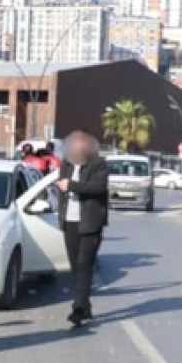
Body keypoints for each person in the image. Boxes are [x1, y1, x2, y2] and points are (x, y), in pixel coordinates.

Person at [55, 130, 110, 327]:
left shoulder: (99, 165)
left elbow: (98, 187)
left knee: (84, 264)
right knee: (75, 266)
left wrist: (71, 185)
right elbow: (61, 187)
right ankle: (85, 305)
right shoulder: (66, 164)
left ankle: (78, 309)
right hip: (69, 220)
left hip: (90, 222)